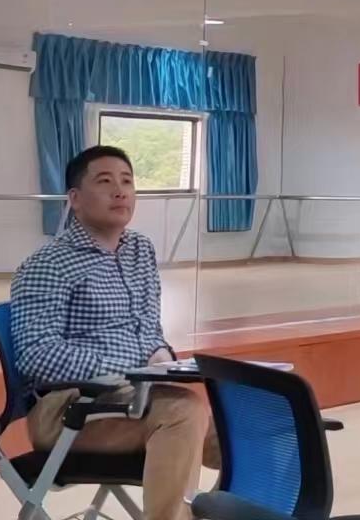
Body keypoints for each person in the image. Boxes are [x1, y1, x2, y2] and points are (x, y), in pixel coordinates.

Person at [11, 144, 218, 520]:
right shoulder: (48, 263)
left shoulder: (140, 250)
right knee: (183, 412)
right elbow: (37, 354)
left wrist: (161, 358)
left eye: (127, 181)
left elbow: (148, 328)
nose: (120, 191)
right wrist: (131, 369)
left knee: (250, 423)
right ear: (75, 198)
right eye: (105, 182)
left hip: (137, 396)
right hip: (69, 410)